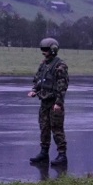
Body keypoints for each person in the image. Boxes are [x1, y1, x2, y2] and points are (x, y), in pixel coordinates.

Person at [28, 37, 69, 167]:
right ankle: (44, 153)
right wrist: (34, 90)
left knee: (57, 129)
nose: (43, 52)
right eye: (42, 49)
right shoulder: (43, 65)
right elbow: (38, 80)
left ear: (53, 50)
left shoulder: (60, 66)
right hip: (44, 102)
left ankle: (62, 155)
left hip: (54, 103)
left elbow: (62, 86)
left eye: (45, 50)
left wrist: (59, 103)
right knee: (44, 127)